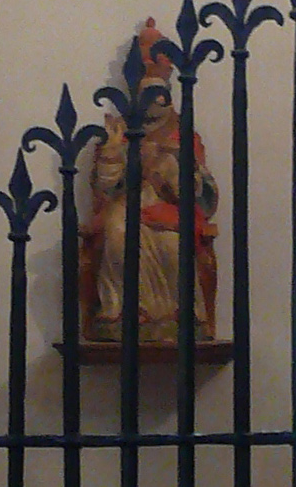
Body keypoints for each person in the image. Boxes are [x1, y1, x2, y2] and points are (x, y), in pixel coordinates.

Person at [80, 21, 218, 345]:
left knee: (173, 242)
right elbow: (105, 190)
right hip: (127, 206)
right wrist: (113, 156)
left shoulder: (184, 135)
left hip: (167, 209)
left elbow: (204, 196)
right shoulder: (117, 131)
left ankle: (178, 315)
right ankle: (120, 312)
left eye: (159, 95)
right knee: (117, 230)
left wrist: (179, 180)